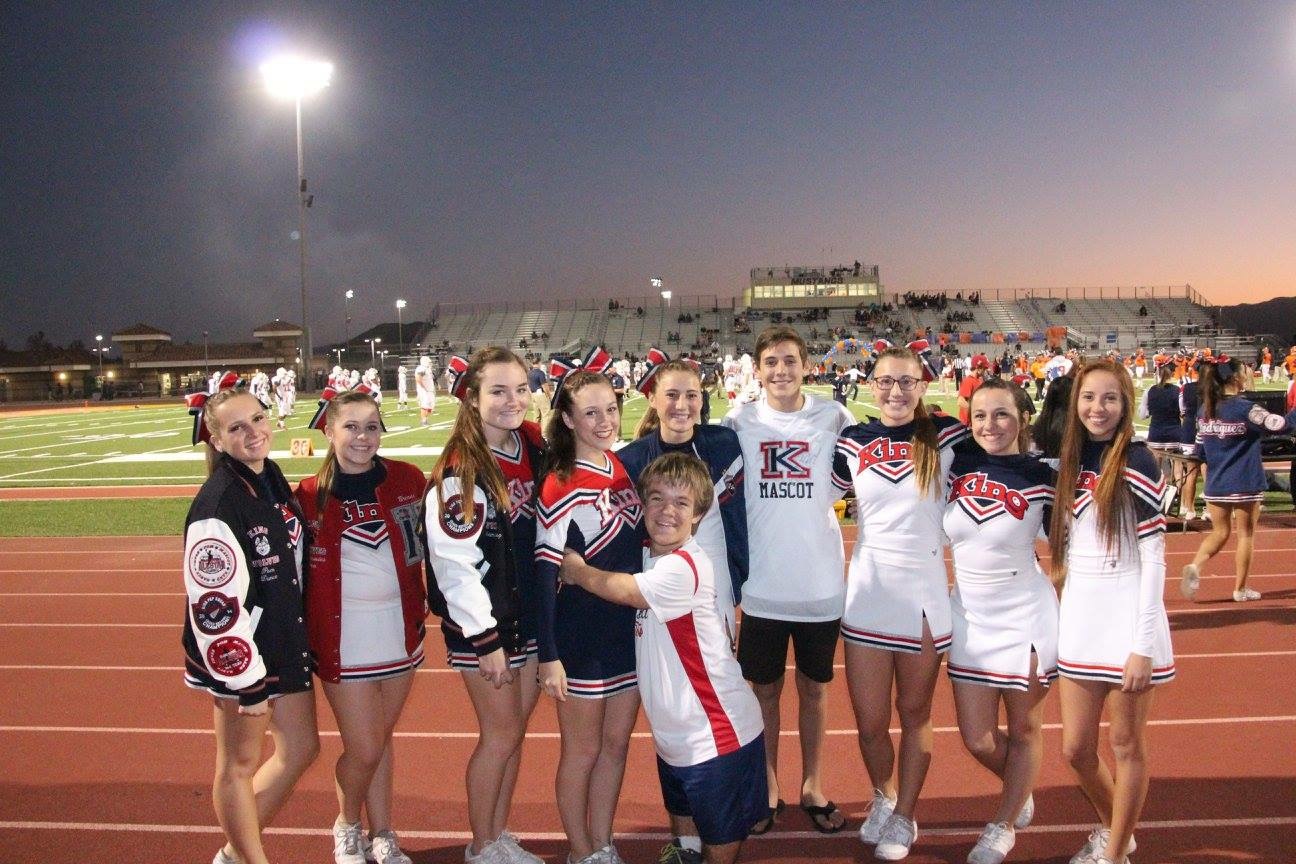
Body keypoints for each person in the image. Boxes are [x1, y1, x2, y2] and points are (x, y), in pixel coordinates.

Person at [559, 453, 767, 864]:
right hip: (675, 738)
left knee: (719, 849)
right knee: (685, 838)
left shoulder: (684, 567)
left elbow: (625, 590)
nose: (667, 511)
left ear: (698, 515)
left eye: (681, 503)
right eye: (657, 498)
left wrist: (575, 569)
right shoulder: (649, 555)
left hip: (716, 739)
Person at [831, 346, 972, 860]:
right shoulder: (852, 440)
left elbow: (998, 466)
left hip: (923, 594)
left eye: (907, 381)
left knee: (914, 713)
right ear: (871, 385)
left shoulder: (949, 435)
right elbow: (813, 497)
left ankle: (905, 814)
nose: (896, 391)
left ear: (923, 385)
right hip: (868, 594)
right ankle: (883, 796)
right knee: (869, 721)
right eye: (886, 381)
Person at [618, 351, 749, 862]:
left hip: (708, 590)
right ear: (652, 398)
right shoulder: (632, 457)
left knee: (706, 697)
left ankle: (724, 808)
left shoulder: (722, 443)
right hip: (654, 587)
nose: (682, 404)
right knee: (665, 697)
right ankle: (687, 839)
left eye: (691, 395)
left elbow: (735, 519)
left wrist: (737, 583)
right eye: (671, 394)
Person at [722, 325, 853, 836]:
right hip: (762, 586)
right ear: (757, 370)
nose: (781, 371)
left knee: (815, 689)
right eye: (771, 362)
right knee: (765, 691)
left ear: (806, 366)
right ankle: (769, 785)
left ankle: (813, 785)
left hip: (820, 583)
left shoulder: (834, 416)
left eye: (790, 361)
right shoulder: (739, 421)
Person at [182, 380, 319, 864]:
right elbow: (214, 608)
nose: (253, 431)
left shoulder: (268, 475)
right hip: (242, 655)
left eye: (258, 419)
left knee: (300, 748)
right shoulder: (217, 506)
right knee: (237, 766)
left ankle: (234, 852)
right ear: (217, 440)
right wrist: (245, 679)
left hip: (281, 638)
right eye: (237, 427)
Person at [424, 348, 548, 864]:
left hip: (528, 613)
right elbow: (454, 565)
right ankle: (481, 845)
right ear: (472, 398)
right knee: (500, 735)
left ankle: (497, 833)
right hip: (489, 625)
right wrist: (485, 637)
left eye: (520, 389)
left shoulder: (532, 445)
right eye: (497, 391)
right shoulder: (462, 469)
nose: (512, 400)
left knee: (514, 734)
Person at [1049, 359, 1173, 864]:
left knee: (1126, 746)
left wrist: (1142, 646)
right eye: (1088, 397)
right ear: (1075, 403)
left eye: (1109, 398)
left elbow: (1154, 557)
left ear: (1125, 405)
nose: (1097, 408)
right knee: (1075, 750)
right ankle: (1114, 828)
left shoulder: (1138, 462)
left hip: (1126, 617)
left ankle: (1116, 852)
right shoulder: (1070, 459)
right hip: (1081, 617)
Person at [294, 389, 424, 864]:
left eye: (371, 426)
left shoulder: (408, 479)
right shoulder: (307, 495)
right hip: (342, 638)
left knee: (380, 741)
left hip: (400, 631)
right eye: (350, 426)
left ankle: (383, 831)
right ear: (328, 431)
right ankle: (347, 824)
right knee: (365, 746)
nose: (363, 437)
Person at [533, 349, 644, 864]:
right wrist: (548, 654)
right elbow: (544, 573)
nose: (605, 421)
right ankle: (580, 851)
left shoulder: (617, 463)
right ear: (568, 419)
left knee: (616, 746)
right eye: (591, 412)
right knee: (581, 751)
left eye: (611, 410)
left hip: (626, 631)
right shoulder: (561, 483)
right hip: (581, 637)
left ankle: (603, 842)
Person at [944, 379, 1057, 864]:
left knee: (1025, 729)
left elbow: (1070, 546)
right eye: (980, 415)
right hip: (969, 615)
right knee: (977, 738)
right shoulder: (955, 464)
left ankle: (1003, 823)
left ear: (1023, 418)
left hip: (1024, 614)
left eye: (1002, 414)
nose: (990, 425)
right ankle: (1019, 787)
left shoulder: (1044, 475)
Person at [1181, 356, 1296, 602]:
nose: (1247, 376)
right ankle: (1240, 589)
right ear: (1234, 378)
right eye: (1244, 372)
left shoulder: (1205, 410)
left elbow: (1200, 450)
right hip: (1245, 480)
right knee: (1246, 535)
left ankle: (1196, 565)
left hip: (1216, 483)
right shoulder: (1245, 408)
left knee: (1219, 533)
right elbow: (1280, 425)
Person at [1138, 358, 1183, 500]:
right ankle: (1178, 496)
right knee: (1177, 465)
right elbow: (1183, 412)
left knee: (1155, 467)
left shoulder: (1150, 390)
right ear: (1172, 373)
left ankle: (1155, 495)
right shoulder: (1178, 390)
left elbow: (1142, 415)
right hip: (1175, 432)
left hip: (1156, 433)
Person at [528, 357, 552, 429]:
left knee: (536, 415)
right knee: (546, 414)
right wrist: (549, 396)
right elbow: (545, 386)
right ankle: (545, 433)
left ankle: (534, 431)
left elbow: (528, 385)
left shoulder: (529, 373)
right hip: (540, 394)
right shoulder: (540, 373)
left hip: (533, 394)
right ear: (539, 363)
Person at [415, 356, 437, 426]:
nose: (430, 363)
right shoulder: (421, 368)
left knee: (430, 406)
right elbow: (418, 379)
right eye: (429, 362)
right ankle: (423, 421)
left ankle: (425, 419)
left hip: (429, 390)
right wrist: (424, 388)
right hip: (424, 390)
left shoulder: (428, 369)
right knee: (425, 405)